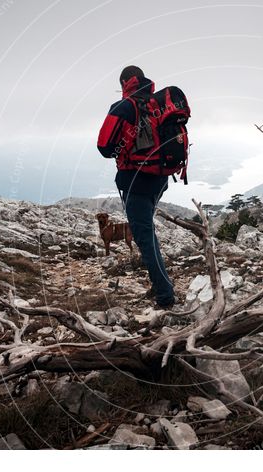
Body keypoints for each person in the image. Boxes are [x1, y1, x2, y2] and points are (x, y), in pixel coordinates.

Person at [97, 65, 176, 308]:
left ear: (124, 83)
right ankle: (161, 286)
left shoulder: (124, 107)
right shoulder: (159, 102)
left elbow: (104, 147)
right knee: (146, 232)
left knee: (144, 238)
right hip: (160, 178)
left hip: (135, 181)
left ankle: (165, 297)